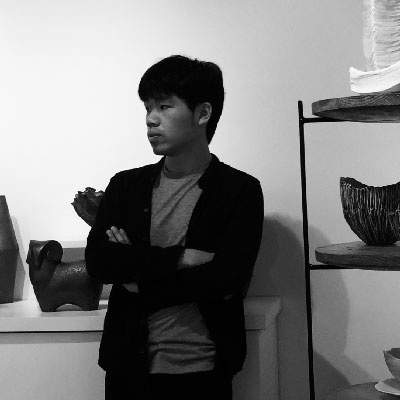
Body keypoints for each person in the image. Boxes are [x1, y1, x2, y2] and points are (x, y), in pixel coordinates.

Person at [85, 54, 264, 400]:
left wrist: (136, 277)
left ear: (203, 113)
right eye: (147, 108)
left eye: (165, 106)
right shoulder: (126, 186)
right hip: (128, 368)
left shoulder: (239, 190)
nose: (151, 119)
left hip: (203, 370)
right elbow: (99, 261)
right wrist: (181, 258)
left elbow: (227, 278)